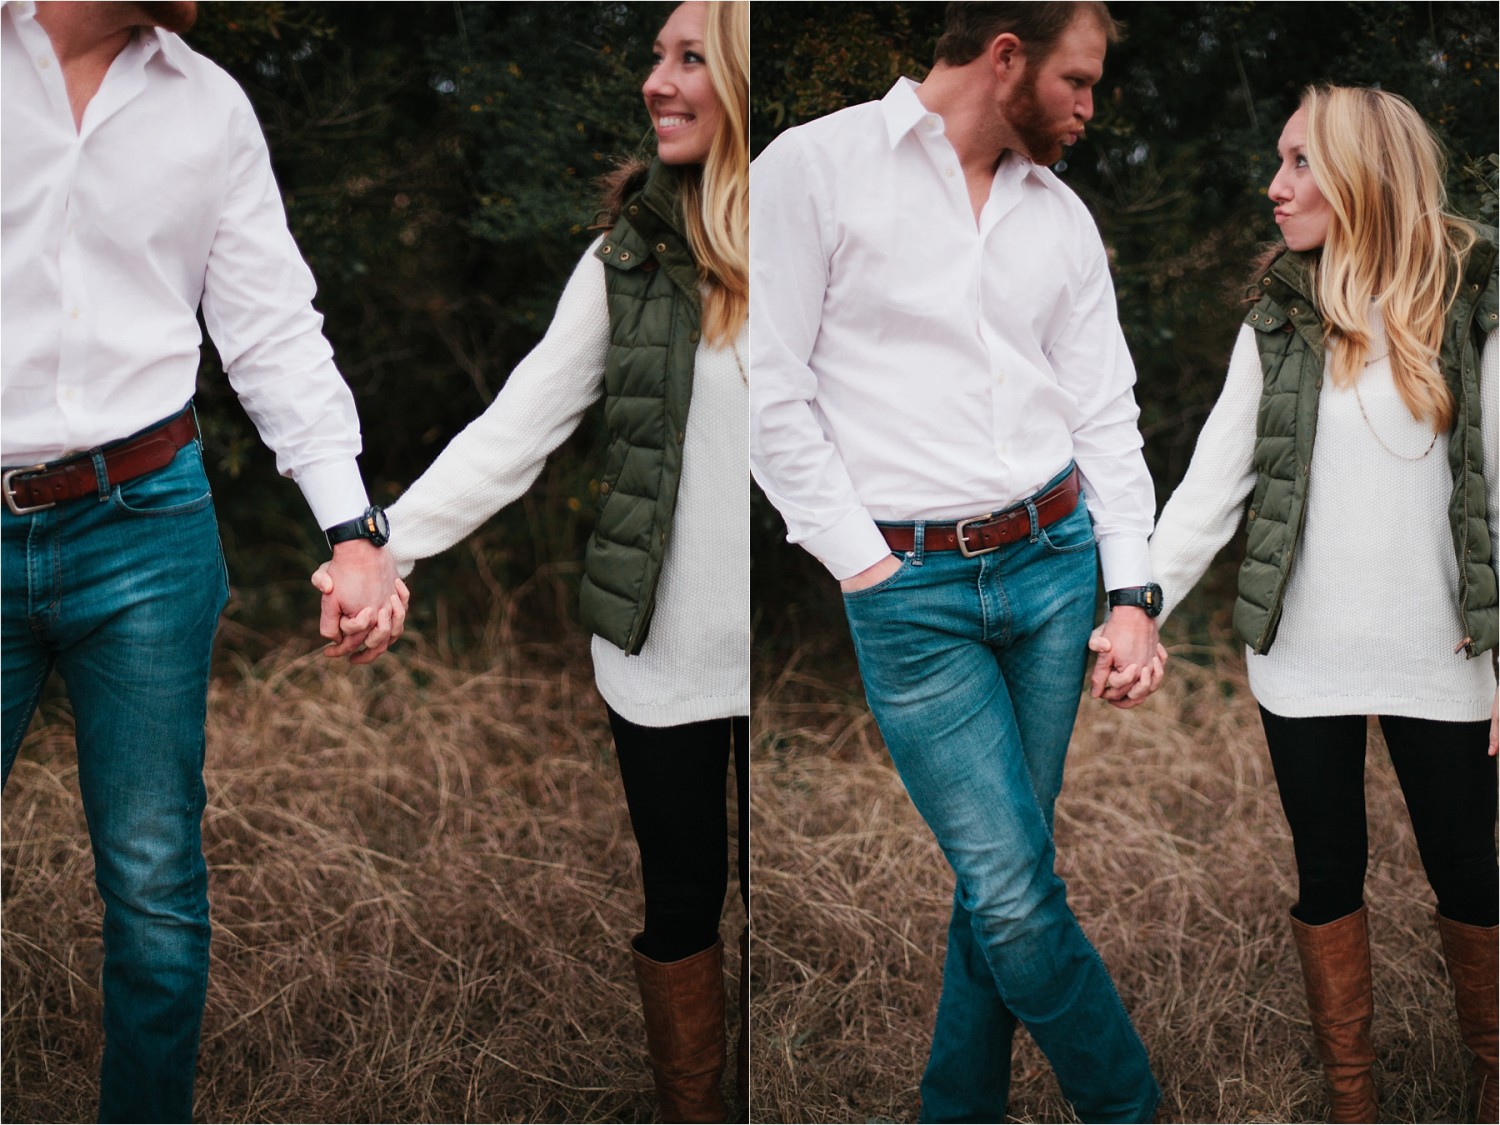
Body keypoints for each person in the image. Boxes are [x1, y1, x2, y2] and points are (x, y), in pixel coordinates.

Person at [315, 3, 750, 1119]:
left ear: (745, 79)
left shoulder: (826, 239)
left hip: (801, 647)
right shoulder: (628, 258)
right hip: (664, 656)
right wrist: (382, 546)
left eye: (689, 57)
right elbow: (517, 428)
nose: (656, 81)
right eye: (656, 57)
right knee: (686, 903)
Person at [750, 3, 1163, 1121]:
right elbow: (768, 393)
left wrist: (1131, 594)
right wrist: (863, 568)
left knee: (1001, 878)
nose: (1089, 107)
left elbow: (1107, 415)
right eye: (1077, 82)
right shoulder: (815, 169)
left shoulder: (1061, 220)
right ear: (1005, 57)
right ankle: (1132, 1109)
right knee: (1019, 895)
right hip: (910, 594)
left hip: (1053, 571)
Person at [1, 2, 407, 1121]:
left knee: (152, 885)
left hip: (145, 529)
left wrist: (356, 532)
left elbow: (272, 328)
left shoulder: (209, 107)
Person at [1116, 85, 1497, 1123]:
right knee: (1329, 870)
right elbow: (1210, 488)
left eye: (1297, 163)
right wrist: (1137, 601)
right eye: (1278, 163)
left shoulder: (1475, 303)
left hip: (1450, 657)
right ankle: (1351, 1093)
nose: (1274, 186)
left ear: (1363, 175)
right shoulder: (1283, 318)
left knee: (1472, 874)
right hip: (1307, 660)